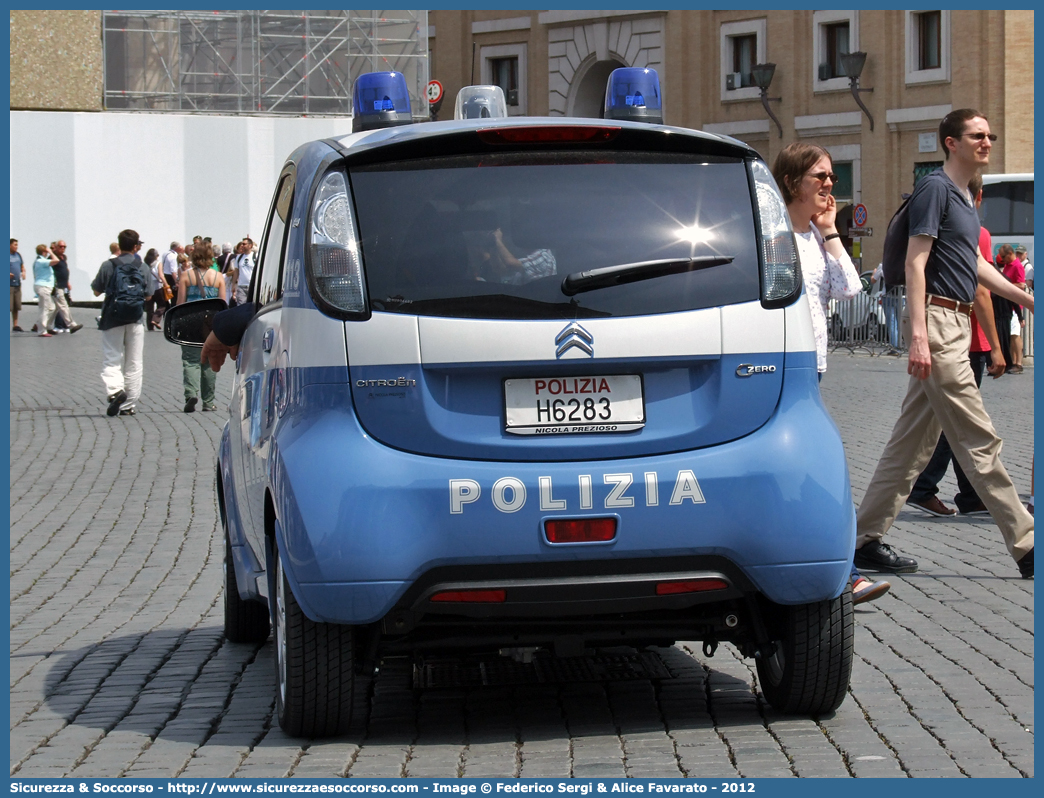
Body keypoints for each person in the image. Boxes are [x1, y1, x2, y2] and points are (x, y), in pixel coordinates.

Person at [854, 109, 1034, 580]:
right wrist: (918, 334)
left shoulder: (965, 199)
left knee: (909, 444)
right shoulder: (935, 188)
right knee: (978, 437)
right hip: (936, 323)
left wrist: (1025, 299)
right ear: (951, 142)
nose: (987, 142)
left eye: (990, 135)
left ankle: (862, 539)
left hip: (952, 322)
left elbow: (975, 265)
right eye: (977, 136)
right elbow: (917, 262)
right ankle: (1027, 542)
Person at [772, 142, 888, 605]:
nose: (828, 186)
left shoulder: (816, 239)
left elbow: (850, 289)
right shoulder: (775, 237)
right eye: (819, 177)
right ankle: (843, 572)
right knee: (816, 469)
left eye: (832, 178)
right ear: (790, 182)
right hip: (782, 365)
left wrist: (832, 232)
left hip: (813, 367)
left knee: (805, 470)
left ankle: (832, 569)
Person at [906, 173, 1005, 518]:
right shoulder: (977, 231)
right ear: (977, 200)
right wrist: (996, 346)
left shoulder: (962, 224)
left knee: (919, 434)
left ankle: (872, 526)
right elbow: (980, 291)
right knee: (968, 426)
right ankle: (1022, 535)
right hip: (957, 334)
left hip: (953, 331)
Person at [91, 229, 149, 417]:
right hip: (136, 318)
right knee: (134, 362)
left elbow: (96, 291)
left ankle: (115, 390)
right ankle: (129, 405)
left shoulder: (108, 265)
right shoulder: (143, 266)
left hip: (112, 318)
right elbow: (149, 295)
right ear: (135, 246)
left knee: (112, 357)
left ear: (119, 244)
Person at [177, 240, 227, 412]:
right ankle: (208, 401)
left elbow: (180, 303)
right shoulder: (218, 277)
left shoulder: (186, 276)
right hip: (210, 324)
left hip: (191, 322)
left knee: (190, 361)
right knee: (209, 362)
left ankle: (191, 393)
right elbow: (222, 304)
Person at [469, 228, 557, 285]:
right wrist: (493, 245)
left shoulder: (543, 255)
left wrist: (497, 239)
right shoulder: (530, 257)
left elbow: (510, 263)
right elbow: (500, 270)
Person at [996, 244, 1026, 374]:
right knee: (1010, 334)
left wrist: (1005, 286)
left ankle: (1018, 363)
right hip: (1007, 304)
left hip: (1014, 305)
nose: (1002, 260)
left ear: (1009, 254)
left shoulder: (1017, 266)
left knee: (1015, 334)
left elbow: (1022, 285)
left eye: (1003, 257)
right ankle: (1013, 362)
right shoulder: (1008, 265)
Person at [46, 240, 83, 334]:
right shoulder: (53, 257)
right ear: (57, 247)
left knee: (55, 308)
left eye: (64, 247)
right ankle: (71, 325)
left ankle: (46, 326)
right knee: (63, 305)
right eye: (61, 246)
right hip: (56, 286)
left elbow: (65, 270)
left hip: (63, 285)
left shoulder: (63, 258)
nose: (63, 248)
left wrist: (67, 283)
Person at [871, 261, 902, 353]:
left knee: (892, 323)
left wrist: (874, 273)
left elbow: (873, 280)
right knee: (900, 322)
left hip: (888, 296)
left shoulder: (883, 265)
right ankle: (901, 345)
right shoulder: (903, 264)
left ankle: (895, 348)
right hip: (901, 296)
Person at [32, 244, 58, 338]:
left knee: (51, 308)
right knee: (45, 309)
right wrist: (51, 252)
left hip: (44, 287)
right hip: (43, 287)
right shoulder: (41, 261)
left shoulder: (40, 261)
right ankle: (41, 330)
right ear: (44, 252)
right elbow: (56, 261)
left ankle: (42, 325)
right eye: (46, 251)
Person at [142, 248, 166, 331]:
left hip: (148, 287)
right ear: (156, 256)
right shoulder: (158, 263)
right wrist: (166, 284)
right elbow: (160, 275)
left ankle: (150, 326)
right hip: (157, 287)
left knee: (149, 308)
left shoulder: (145, 264)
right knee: (162, 305)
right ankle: (155, 319)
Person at [234, 238, 256, 305]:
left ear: (250, 245)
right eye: (242, 244)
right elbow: (236, 271)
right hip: (241, 286)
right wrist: (234, 285)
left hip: (252, 286)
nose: (242, 246)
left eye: (244, 244)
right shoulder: (239, 257)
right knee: (241, 306)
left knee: (253, 305)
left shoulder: (255, 256)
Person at [11, 238, 26, 331]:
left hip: (17, 284)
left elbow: (22, 266)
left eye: (17, 245)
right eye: (15, 245)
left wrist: (23, 272)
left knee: (16, 306)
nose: (17, 246)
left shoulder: (18, 255)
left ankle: (15, 325)